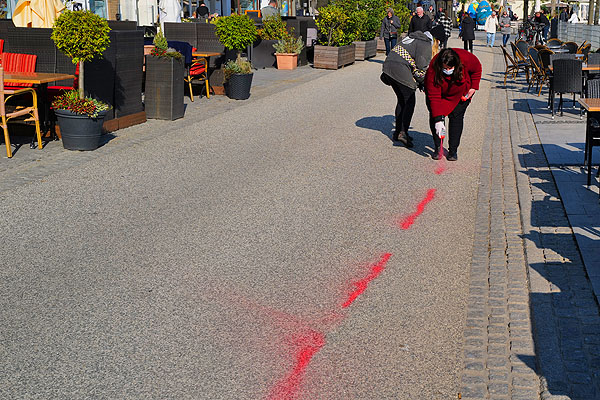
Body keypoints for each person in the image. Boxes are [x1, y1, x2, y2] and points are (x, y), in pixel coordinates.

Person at [381, 30, 441, 146]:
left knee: (402, 100)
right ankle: (403, 133)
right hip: (399, 69)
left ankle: (398, 132)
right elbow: (421, 68)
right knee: (409, 101)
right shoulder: (425, 43)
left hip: (388, 67)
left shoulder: (413, 38)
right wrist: (423, 83)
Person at [425, 48, 482, 161]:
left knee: (456, 118)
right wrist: (438, 119)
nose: (447, 70)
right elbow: (434, 96)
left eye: (450, 68)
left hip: (460, 93)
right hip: (440, 93)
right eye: (444, 68)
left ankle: (453, 150)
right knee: (435, 117)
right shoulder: (434, 67)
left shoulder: (466, 58)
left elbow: (477, 69)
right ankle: (438, 147)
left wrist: (474, 87)